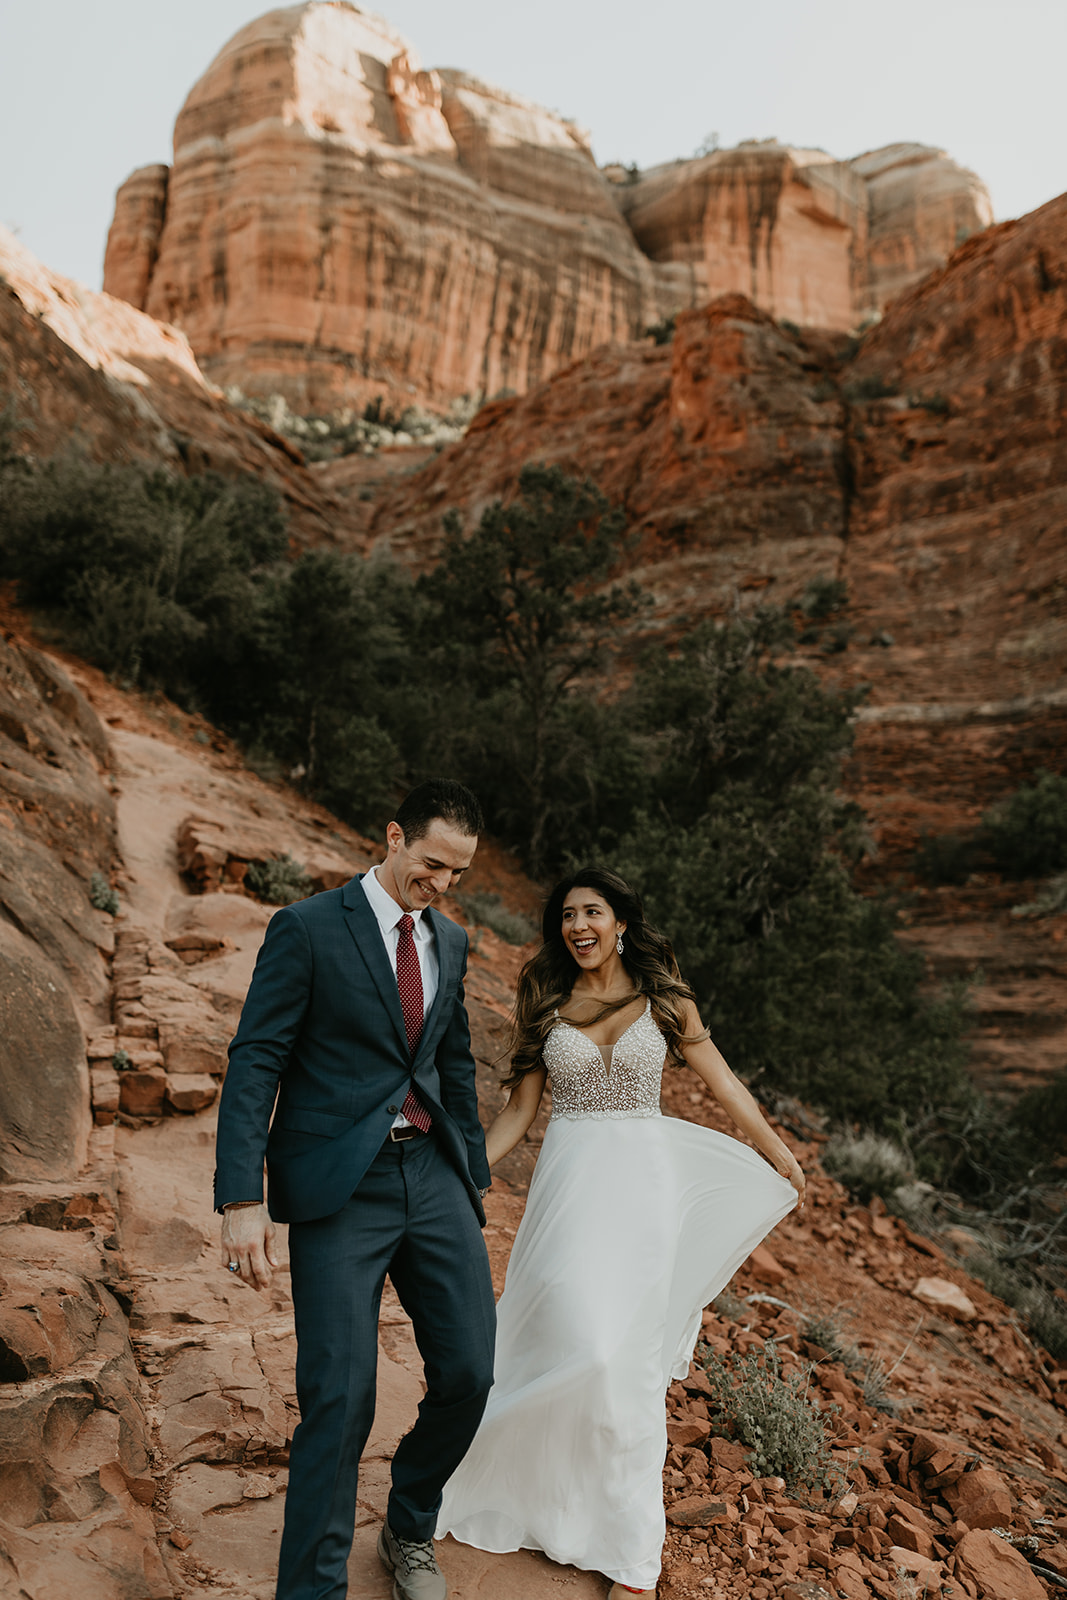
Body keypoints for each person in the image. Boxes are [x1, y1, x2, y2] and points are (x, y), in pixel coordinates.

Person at [437, 867, 805, 1598]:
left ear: (621, 923)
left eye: (592, 912)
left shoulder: (663, 998)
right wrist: (463, 1168)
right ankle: (508, 1486)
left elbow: (722, 1080)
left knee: (619, 1359)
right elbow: (518, 1114)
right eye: (567, 915)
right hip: (570, 1186)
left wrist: (778, 1151)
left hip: (642, 1189)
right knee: (565, 1333)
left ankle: (610, 1528)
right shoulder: (545, 1002)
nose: (578, 926)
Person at [214, 779, 496, 1600]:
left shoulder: (454, 941)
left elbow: (455, 1062)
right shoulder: (304, 929)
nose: (442, 885)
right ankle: (311, 1589)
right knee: (339, 1397)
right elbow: (256, 1058)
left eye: (459, 875)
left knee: (471, 1374)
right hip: (342, 1189)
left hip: (433, 1176)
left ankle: (408, 1525)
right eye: (434, 864)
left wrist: (471, 1175)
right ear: (395, 836)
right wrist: (242, 1198)